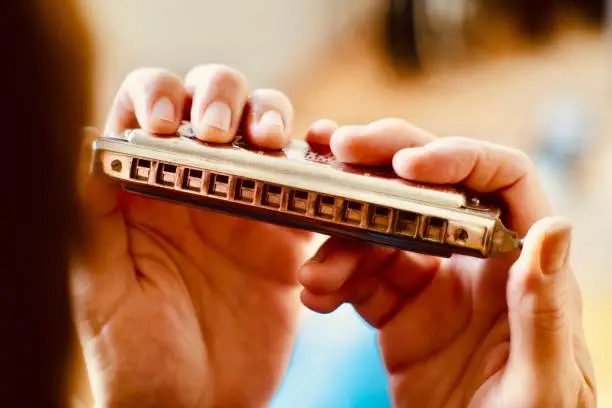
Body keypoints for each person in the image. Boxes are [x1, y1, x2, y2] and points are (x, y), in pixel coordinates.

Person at [8, 1, 596, 407]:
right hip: (353, 330)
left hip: (323, 323)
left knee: (379, 311)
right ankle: (557, 152)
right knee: (369, 329)